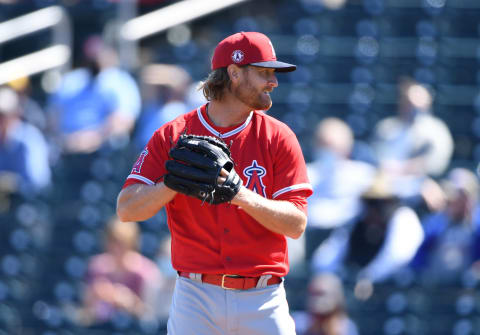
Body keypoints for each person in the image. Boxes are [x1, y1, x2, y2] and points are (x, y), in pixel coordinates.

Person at [116, 31, 313, 335]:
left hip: (262, 297)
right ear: (234, 73)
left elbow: (296, 223)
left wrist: (241, 195)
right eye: (264, 72)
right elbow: (127, 208)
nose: (273, 81)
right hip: (196, 298)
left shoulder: (278, 137)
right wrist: (170, 185)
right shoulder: (172, 135)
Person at [48, 35, 141, 154]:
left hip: (104, 150)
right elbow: (52, 118)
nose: (96, 59)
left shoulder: (119, 80)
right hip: (67, 148)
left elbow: (124, 120)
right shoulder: (70, 80)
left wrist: (94, 138)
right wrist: (67, 140)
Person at [76, 217, 162, 327]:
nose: (116, 248)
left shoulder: (146, 272)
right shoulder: (97, 267)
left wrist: (130, 302)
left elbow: (152, 315)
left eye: (121, 243)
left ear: (131, 243)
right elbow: (85, 307)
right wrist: (94, 295)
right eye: (112, 242)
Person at [410, 168, 480, 285]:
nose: (460, 201)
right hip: (434, 286)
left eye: (465, 196)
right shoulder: (435, 222)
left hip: (468, 289)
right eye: (456, 196)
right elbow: (418, 255)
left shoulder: (477, 224)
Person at [0, 86, 51, 192]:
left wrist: (11, 183)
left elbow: (39, 181)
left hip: (29, 202)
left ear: (15, 114)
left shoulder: (30, 139)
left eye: (2, 115)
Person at [293, 273, 359, 335]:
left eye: (321, 294)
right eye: (313, 294)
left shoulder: (346, 328)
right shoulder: (297, 324)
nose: (315, 299)